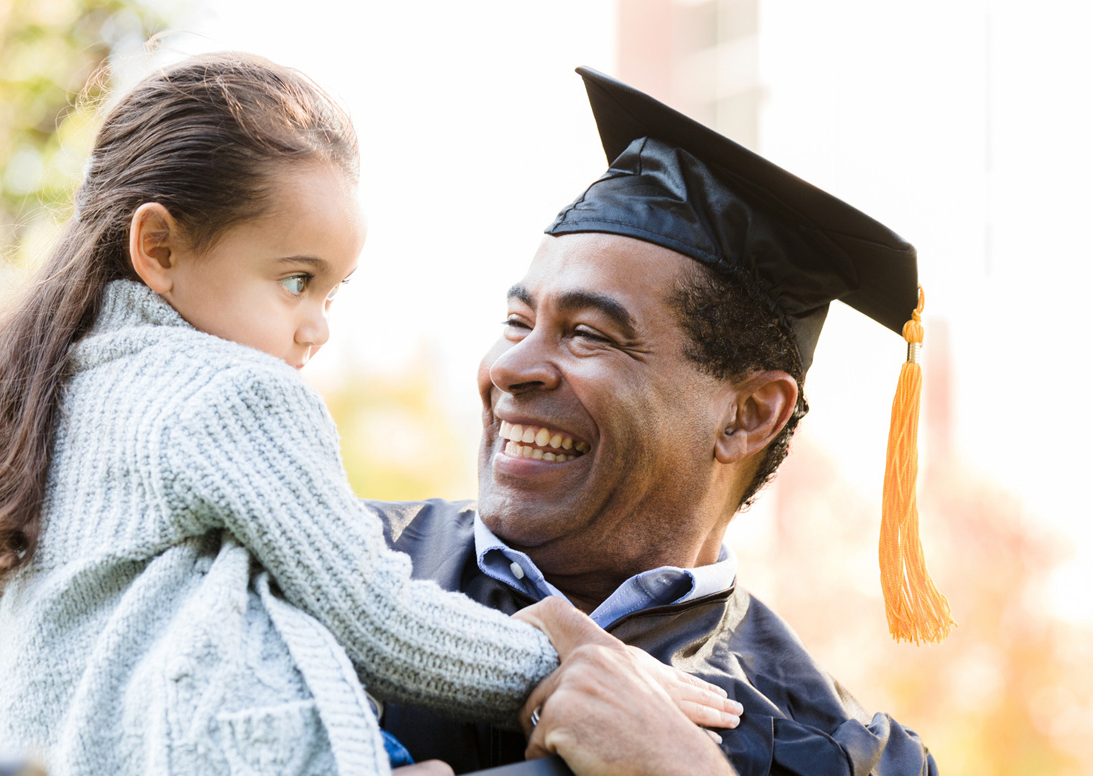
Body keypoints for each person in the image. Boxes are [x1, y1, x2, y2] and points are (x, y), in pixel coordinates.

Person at [0, 55, 740, 776]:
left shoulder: (31, 416)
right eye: (296, 280)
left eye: (333, 292)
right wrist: (582, 664)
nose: (318, 328)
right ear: (158, 249)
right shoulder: (234, 393)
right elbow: (379, 620)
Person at [373, 68, 944, 775]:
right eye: (517, 321)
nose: (511, 366)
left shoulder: (840, 752)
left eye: (588, 333)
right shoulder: (326, 567)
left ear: (747, 413)